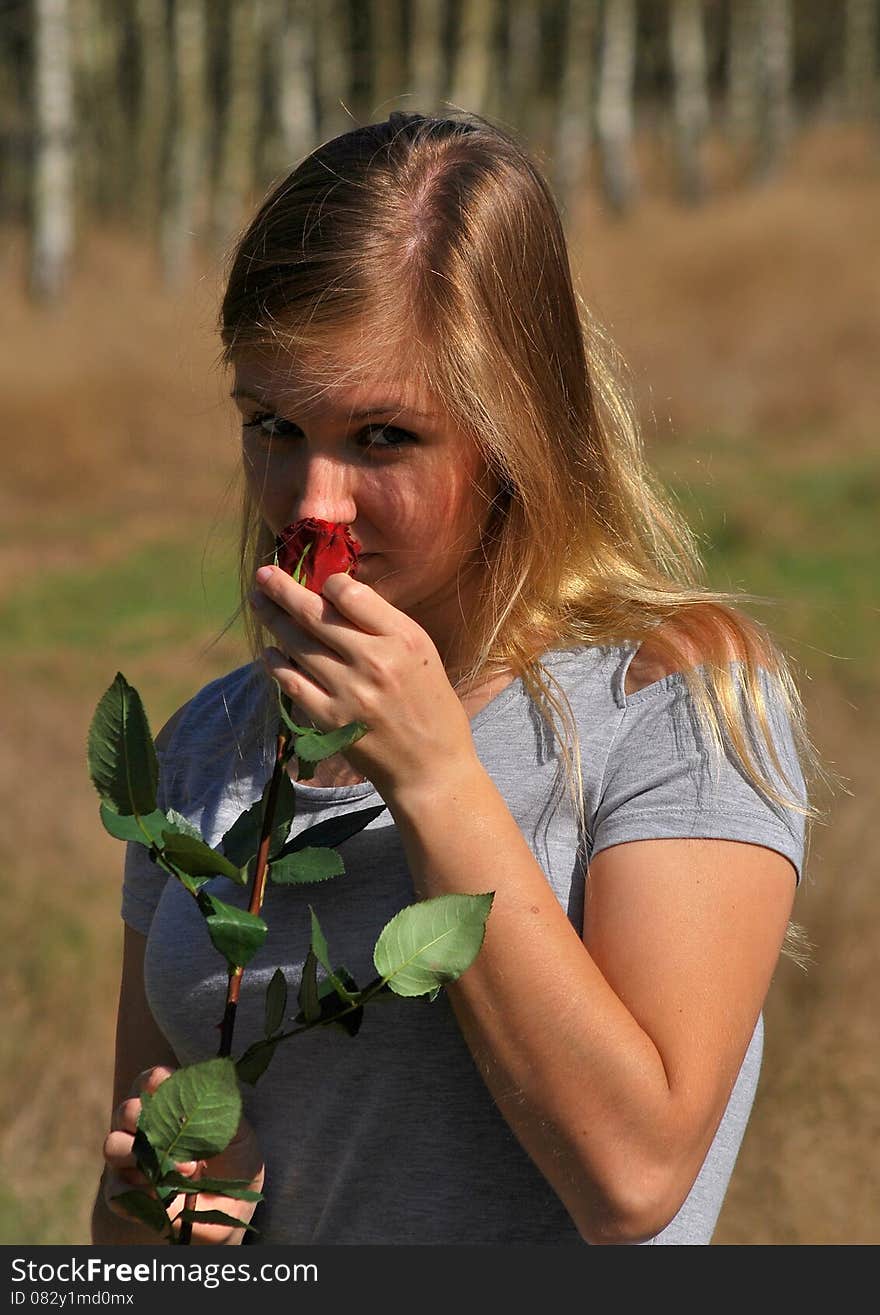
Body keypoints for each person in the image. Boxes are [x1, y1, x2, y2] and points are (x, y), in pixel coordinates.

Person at [93, 109, 819, 1247]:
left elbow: (632, 1180)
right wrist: (164, 1217)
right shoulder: (204, 748)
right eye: (273, 422)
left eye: (383, 436)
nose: (312, 500)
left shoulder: (672, 699)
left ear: (516, 427)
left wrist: (433, 775)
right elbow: (131, 1227)